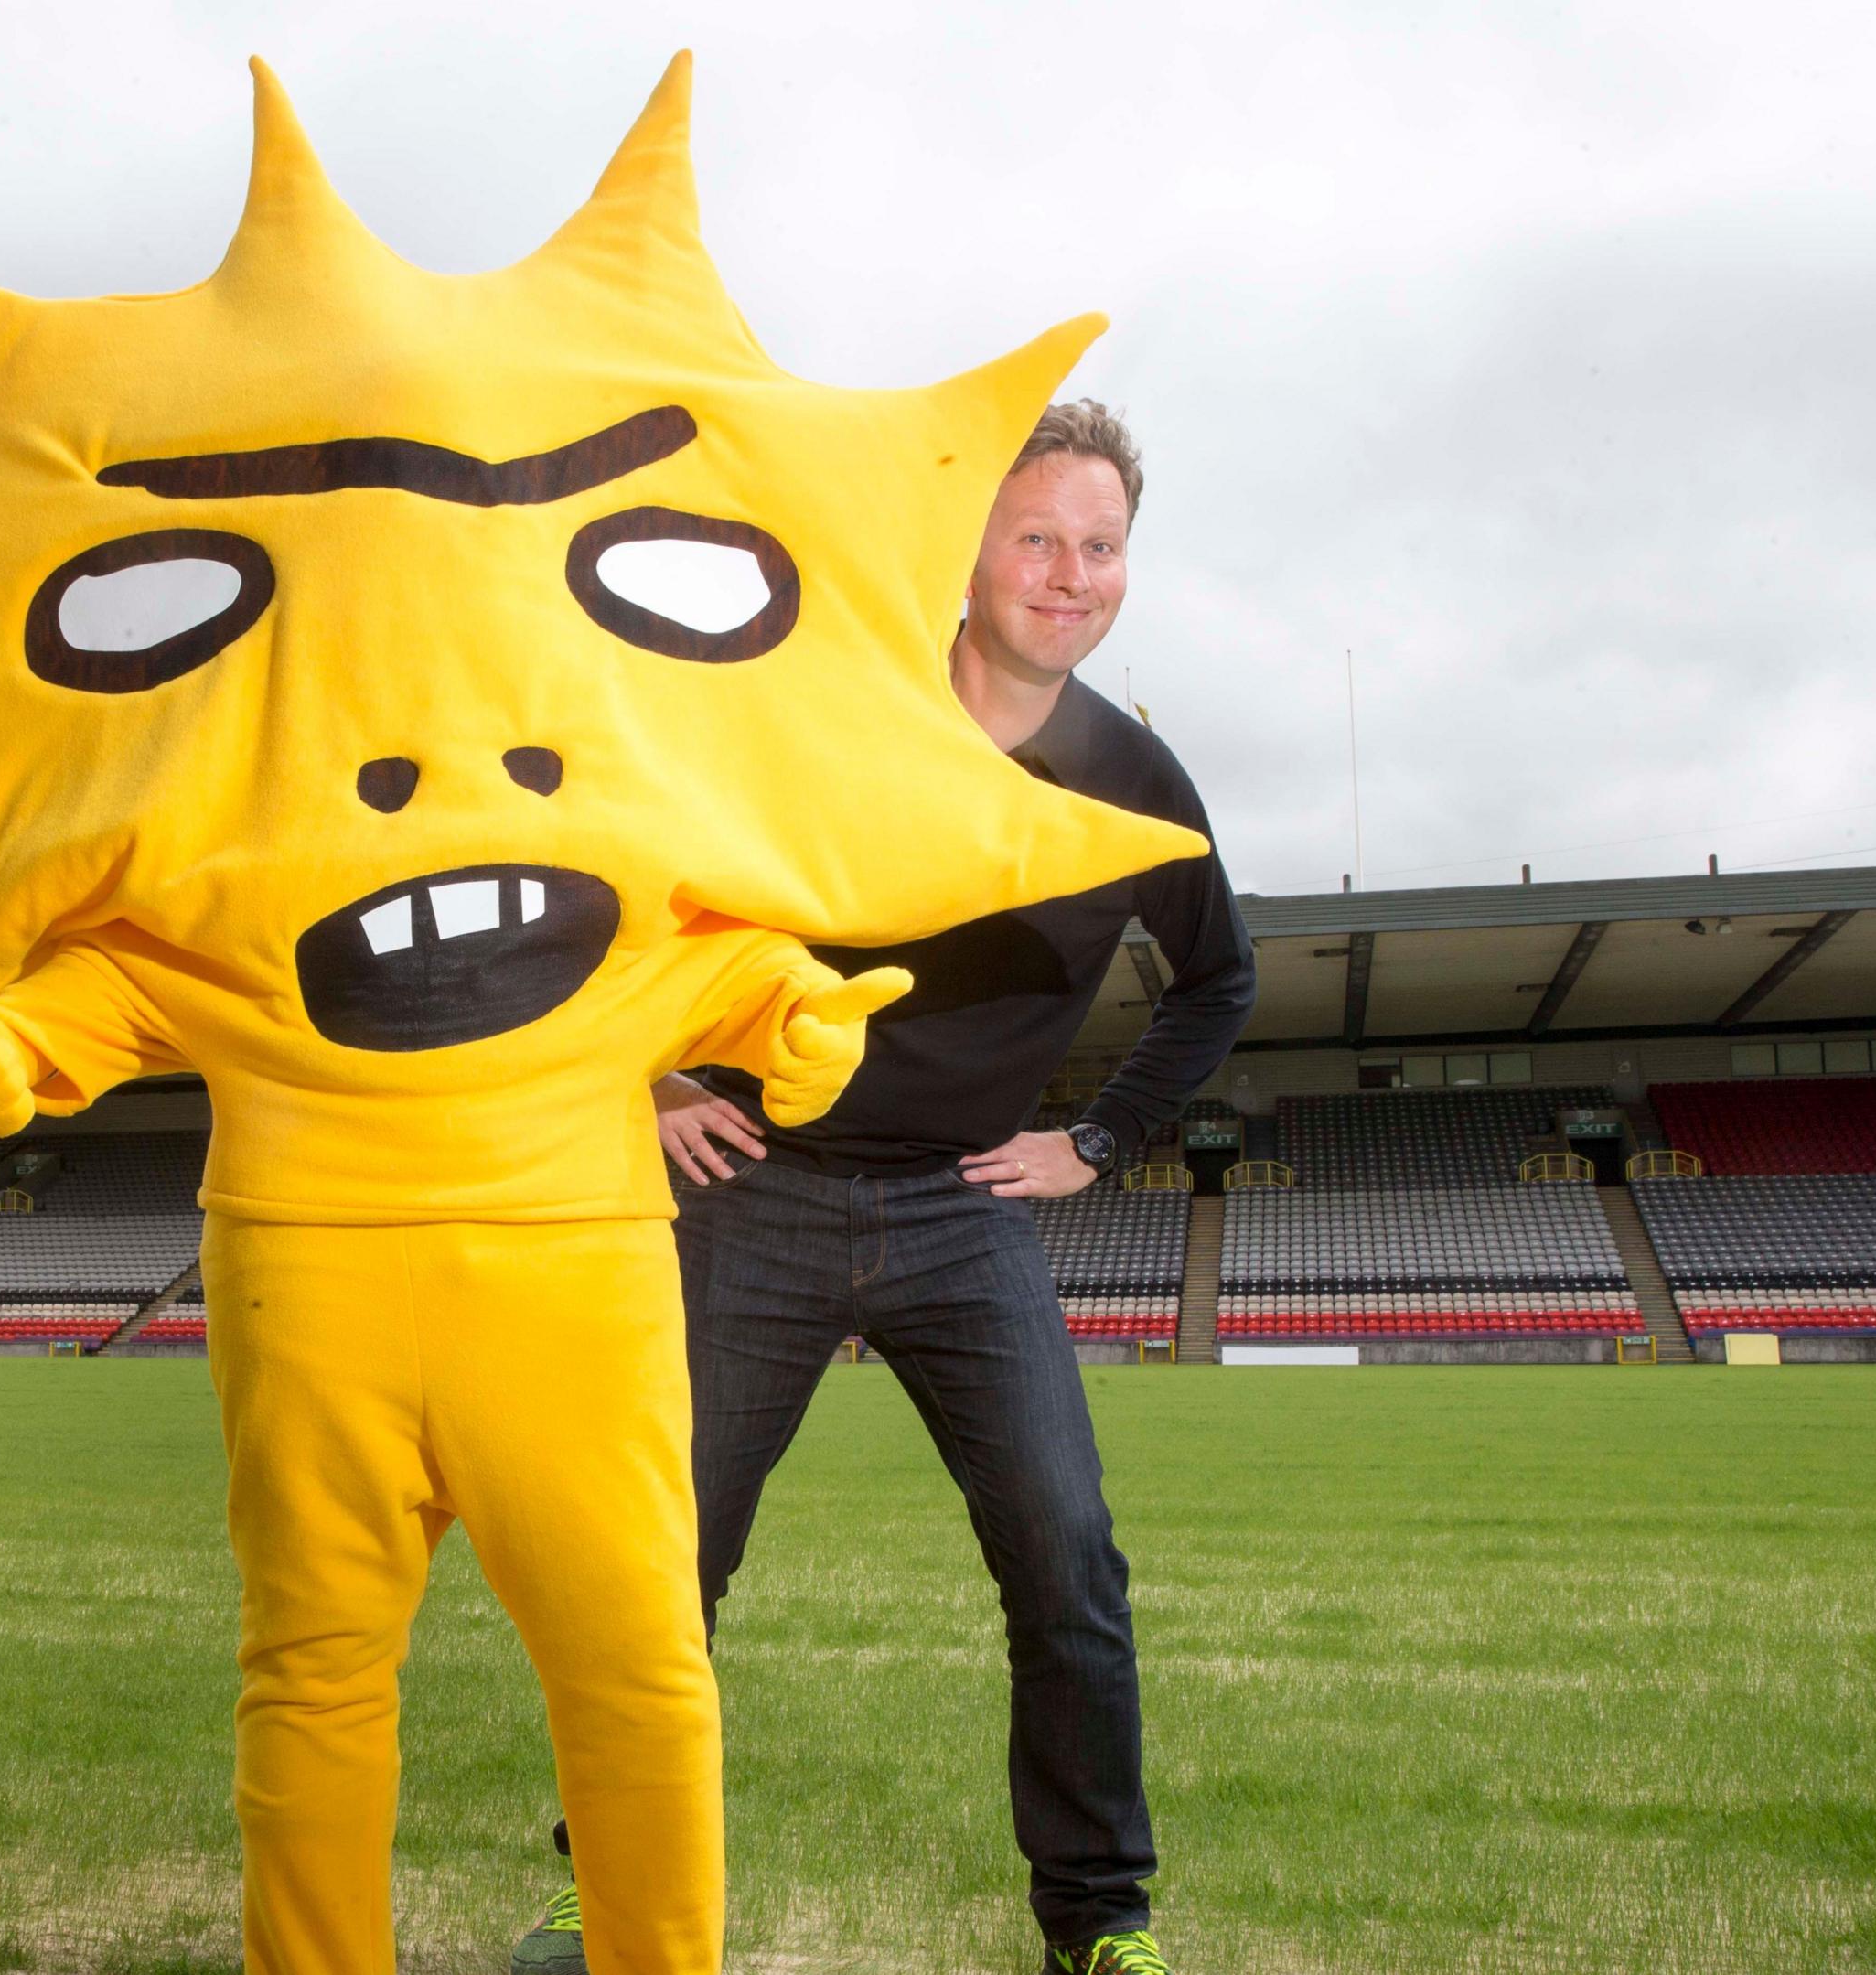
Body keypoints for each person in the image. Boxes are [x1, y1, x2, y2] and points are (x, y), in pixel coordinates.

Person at [516, 401, 1255, 1975]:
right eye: (1036, 537)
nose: (1068, 574)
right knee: (670, 1556)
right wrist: (643, 1076)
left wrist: (1099, 1141)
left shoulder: (1131, 780)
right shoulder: (827, 708)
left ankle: (1100, 1924)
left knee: (1067, 1556)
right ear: (969, 552)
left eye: (1099, 545)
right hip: (756, 1197)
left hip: (964, 1212)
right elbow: (620, 877)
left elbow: (1218, 984)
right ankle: (607, 1890)